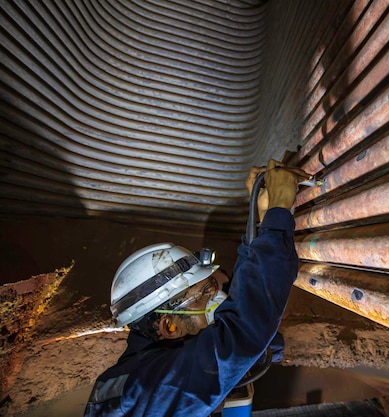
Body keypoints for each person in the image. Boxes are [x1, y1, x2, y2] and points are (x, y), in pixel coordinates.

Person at [84, 159, 309, 417]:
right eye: (205, 295)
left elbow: (250, 343)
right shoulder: (145, 390)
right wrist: (279, 212)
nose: (220, 299)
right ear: (170, 326)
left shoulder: (149, 374)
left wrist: (262, 220)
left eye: (213, 288)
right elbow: (240, 335)